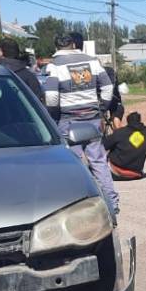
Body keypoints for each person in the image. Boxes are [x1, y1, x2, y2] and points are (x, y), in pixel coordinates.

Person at [43, 33, 120, 213]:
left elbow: (52, 97)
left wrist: (53, 115)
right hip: (92, 117)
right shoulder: (92, 62)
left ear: (56, 47)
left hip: (67, 120)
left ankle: (78, 206)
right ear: (73, 45)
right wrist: (102, 107)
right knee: (99, 160)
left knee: (73, 163)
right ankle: (112, 202)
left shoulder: (54, 66)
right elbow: (108, 87)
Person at [103, 112, 146, 181]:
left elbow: (103, 146)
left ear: (128, 121)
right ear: (140, 120)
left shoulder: (119, 132)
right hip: (135, 175)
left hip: (114, 173)